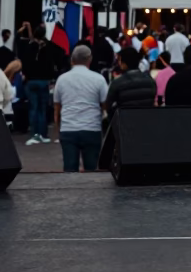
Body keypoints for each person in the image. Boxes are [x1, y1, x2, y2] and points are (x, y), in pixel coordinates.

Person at [53, 44, 108, 172]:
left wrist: (58, 130)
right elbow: (105, 104)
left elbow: (57, 109)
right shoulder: (99, 79)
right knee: (91, 169)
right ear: (90, 59)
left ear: (72, 59)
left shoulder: (62, 79)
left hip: (68, 129)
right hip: (92, 128)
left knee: (69, 169)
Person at [18, 23, 64, 144]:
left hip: (31, 80)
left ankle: (34, 134)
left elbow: (24, 61)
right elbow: (59, 57)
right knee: (43, 108)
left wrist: (26, 74)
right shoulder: (49, 46)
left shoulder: (29, 46)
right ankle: (43, 134)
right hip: (44, 80)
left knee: (33, 108)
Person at [104, 47, 157, 119]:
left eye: (120, 61)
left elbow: (108, 106)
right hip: (147, 121)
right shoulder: (150, 81)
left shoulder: (117, 83)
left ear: (124, 64)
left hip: (125, 123)